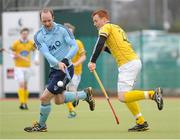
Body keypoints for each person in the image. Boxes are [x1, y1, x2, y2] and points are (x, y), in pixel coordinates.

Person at [88, 9, 163, 132]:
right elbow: (114, 48)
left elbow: (100, 42)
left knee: (122, 97)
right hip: (133, 61)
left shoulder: (105, 28)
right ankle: (141, 122)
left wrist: (92, 61)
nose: (95, 24)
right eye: (93, 21)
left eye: (96, 21)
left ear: (104, 19)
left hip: (128, 64)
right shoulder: (116, 27)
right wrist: (104, 49)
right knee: (128, 95)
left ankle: (153, 94)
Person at [24, 8, 95, 132]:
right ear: (41, 20)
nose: (46, 24)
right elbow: (46, 54)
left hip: (66, 69)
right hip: (54, 69)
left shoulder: (63, 30)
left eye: (49, 21)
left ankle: (41, 125)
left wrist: (66, 60)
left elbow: (74, 46)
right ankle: (85, 94)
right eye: (43, 21)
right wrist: (57, 62)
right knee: (58, 100)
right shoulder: (38, 36)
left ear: (53, 18)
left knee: (44, 98)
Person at [11, 27, 38, 110]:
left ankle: (25, 102)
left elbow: (35, 52)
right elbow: (12, 54)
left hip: (28, 67)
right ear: (21, 34)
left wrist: (36, 60)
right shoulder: (16, 43)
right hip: (19, 67)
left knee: (25, 86)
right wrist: (14, 56)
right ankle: (22, 103)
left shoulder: (30, 43)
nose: (25, 35)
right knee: (21, 84)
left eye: (26, 34)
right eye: (23, 34)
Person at [64, 23, 86, 118]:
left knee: (71, 92)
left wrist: (74, 64)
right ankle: (72, 111)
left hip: (75, 72)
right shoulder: (61, 44)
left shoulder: (78, 43)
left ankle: (80, 97)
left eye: (70, 32)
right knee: (64, 92)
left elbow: (83, 57)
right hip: (63, 72)